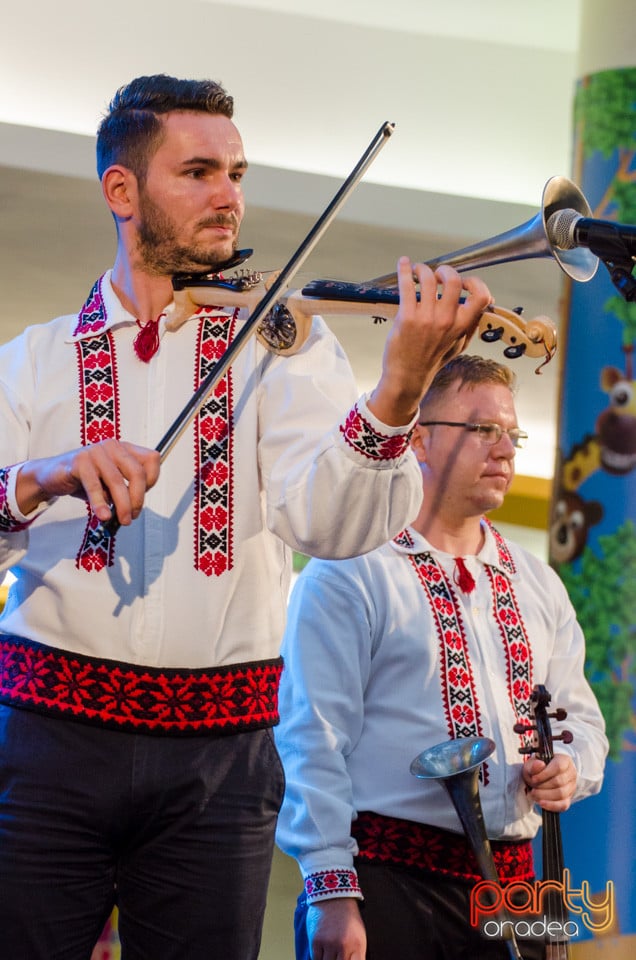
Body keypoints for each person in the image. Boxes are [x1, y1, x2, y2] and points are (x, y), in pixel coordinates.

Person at [0, 75, 492, 960]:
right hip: (47, 740)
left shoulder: (287, 344)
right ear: (122, 191)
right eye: (197, 172)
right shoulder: (32, 362)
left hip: (222, 755)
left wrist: (399, 390)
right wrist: (44, 474)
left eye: (236, 172)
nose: (229, 196)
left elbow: (333, 525)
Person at [275, 354, 608, 960]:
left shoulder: (538, 583)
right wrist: (331, 892)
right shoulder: (350, 569)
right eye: (483, 430)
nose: (507, 450)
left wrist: (571, 768)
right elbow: (311, 740)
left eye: (513, 434)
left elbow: (582, 723)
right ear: (419, 439)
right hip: (388, 880)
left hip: (517, 889)